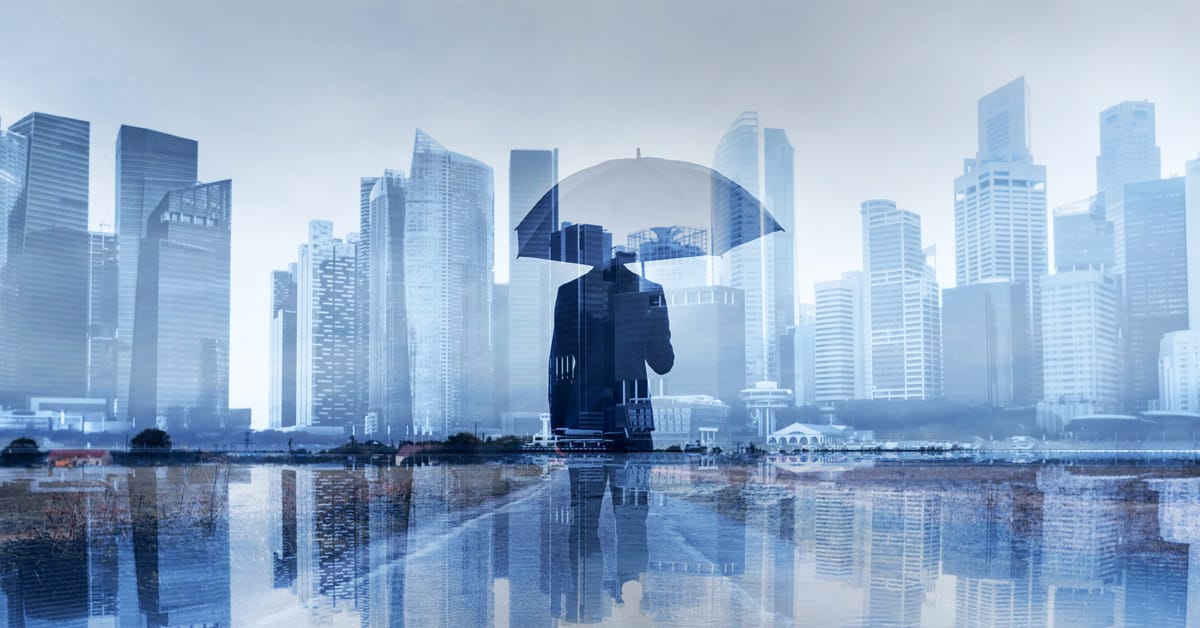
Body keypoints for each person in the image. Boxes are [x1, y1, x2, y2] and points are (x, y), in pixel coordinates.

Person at [548, 224, 673, 451]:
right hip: (634, 417)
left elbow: (560, 368)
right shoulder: (650, 292)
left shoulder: (570, 293)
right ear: (628, 256)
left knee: (587, 485)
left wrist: (558, 426)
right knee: (633, 485)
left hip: (583, 415)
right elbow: (663, 363)